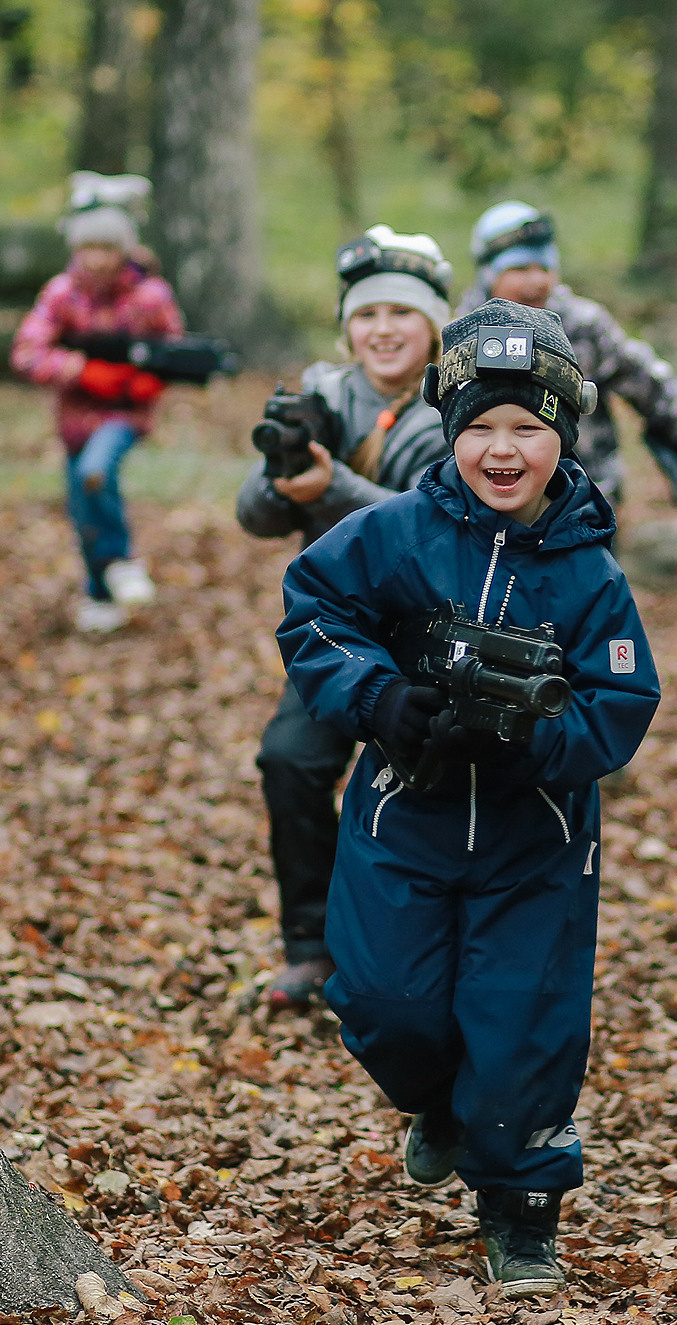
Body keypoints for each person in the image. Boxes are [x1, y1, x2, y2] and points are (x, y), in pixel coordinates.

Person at [276, 299, 660, 1296]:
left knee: (520, 1022)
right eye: (480, 426)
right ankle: (435, 1101)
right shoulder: (394, 534)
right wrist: (379, 697)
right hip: (402, 817)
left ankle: (520, 1212)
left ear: (561, 435)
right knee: (384, 1002)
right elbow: (314, 610)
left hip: (534, 843)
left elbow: (622, 700)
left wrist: (533, 736)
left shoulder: (589, 574)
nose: (501, 449)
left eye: (527, 427)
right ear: (448, 428)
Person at [236, 226, 454, 1009]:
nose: (383, 329)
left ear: (434, 324)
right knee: (289, 761)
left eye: (402, 312)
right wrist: (283, 471)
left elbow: (431, 526)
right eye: (366, 314)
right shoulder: (322, 398)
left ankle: (414, 956)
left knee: (422, 789)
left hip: (435, 632)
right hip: (339, 630)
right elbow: (255, 516)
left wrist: (331, 488)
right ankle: (311, 945)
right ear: (345, 326)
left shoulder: (460, 403)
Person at [455, 202, 677, 534]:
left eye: (544, 267)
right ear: (488, 274)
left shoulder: (581, 326)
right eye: (519, 269)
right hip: (489, 505)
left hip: (586, 502)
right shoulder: (463, 337)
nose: (536, 280)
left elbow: (654, 387)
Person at [11, 183, 184, 633]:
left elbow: (175, 351)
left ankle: (122, 560)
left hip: (124, 416)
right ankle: (99, 594)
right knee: (82, 508)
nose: (97, 259)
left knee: (96, 473)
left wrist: (149, 379)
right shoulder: (61, 294)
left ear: (123, 249)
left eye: (107, 248)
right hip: (74, 421)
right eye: (88, 247)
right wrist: (81, 370)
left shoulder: (150, 296)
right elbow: (27, 352)